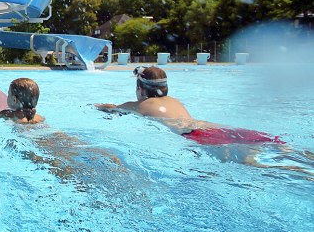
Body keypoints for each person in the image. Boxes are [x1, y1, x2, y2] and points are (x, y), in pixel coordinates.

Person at [94, 66, 314, 173]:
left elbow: (111, 109)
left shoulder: (138, 106)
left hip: (202, 136)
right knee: (290, 153)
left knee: (261, 167)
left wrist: (95, 107)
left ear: (140, 89)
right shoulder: (175, 101)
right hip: (227, 129)